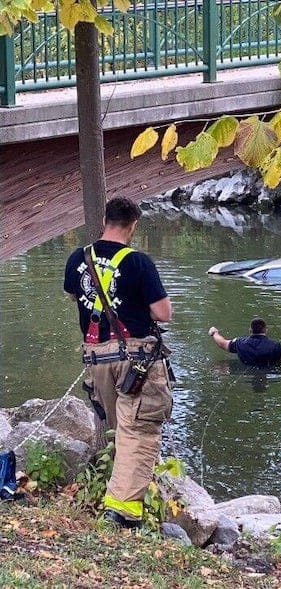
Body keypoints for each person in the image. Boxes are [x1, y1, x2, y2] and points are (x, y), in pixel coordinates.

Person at [64, 197, 173, 529]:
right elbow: (163, 313)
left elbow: (74, 296)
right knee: (137, 431)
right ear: (133, 225)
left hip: (97, 359)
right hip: (135, 361)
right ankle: (122, 513)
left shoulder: (78, 258)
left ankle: (114, 494)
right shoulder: (138, 262)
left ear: (104, 221)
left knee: (117, 428)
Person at [208, 317, 281, 368]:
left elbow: (222, 343)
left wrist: (215, 333)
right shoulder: (275, 346)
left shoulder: (239, 343)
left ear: (250, 330)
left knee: (220, 368)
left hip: (244, 368)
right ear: (266, 330)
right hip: (269, 369)